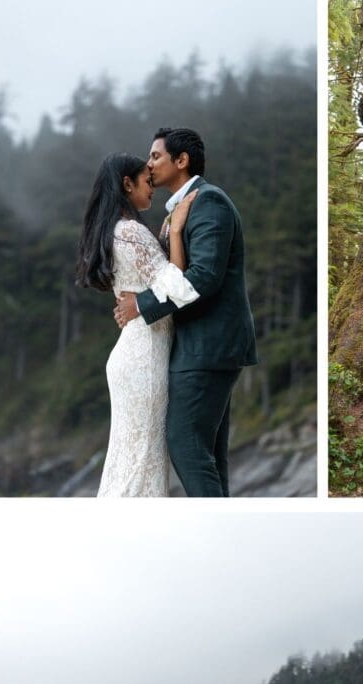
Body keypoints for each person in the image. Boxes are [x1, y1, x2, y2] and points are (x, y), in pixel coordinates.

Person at [113, 128, 258, 497]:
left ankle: (218, 536)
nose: (149, 163)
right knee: (208, 454)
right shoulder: (179, 210)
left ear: (182, 160)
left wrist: (141, 305)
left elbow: (204, 276)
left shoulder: (210, 202)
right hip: (198, 344)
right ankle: (227, 539)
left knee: (186, 446)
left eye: (156, 156)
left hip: (207, 346)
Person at [77, 152, 200, 497]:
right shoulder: (131, 232)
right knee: (141, 462)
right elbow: (179, 288)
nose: (152, 189)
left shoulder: (112, 231)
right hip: (145, 357)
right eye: (147, 182)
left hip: (132, 353)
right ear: (127, 184)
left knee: (129, 460)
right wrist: (176, 230)